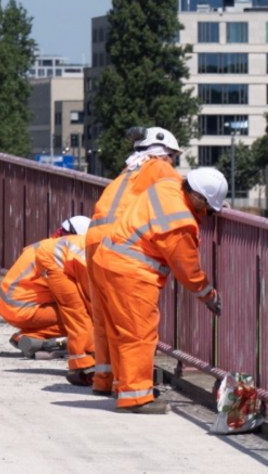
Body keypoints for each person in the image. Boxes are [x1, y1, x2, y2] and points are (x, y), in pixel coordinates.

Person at [94, 167, 225, 414]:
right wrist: (208, 294)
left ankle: (125, 388)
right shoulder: (180, 222)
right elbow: (187, 270)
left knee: (121, 332)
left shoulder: (168, 185)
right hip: (131, 273)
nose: (207, 215)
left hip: (108, 258)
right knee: (139, 335)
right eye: (208, 209)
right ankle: (136, 397)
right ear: (197, 198)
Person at [83, 126, 182, 397]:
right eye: (173, 157)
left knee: (104, 317)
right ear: (163, 154)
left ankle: (105, 379)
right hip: (121, 242)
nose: (173, 163)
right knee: (133, 322)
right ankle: (133, 390)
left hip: (94, 239)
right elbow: (179, 194)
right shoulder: (157, 168)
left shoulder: (125, 174)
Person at [0, 218, 89, 359]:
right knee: (81, 316)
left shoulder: (43, 247)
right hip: (23, 309)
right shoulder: (56, 258)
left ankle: (30, 337)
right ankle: (32, 337)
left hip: (9, 305)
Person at [33, 215, 96, 386]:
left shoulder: (83, 245)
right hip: (52, 262)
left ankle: (87, 358)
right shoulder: (90, 250)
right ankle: (82, 363)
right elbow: (90, 291)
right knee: (76, 311)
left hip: (51, 259)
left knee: (80, 310)